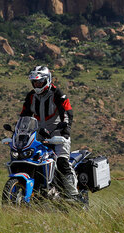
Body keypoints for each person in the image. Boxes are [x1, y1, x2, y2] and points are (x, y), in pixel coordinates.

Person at [20, 66, 80, 201]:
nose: (37, 85)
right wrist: (21, 133)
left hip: (57, 133)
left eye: (40, 82)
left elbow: (67, 113)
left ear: (47, 80)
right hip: (39, 134)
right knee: (30, 159)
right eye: (35, 82)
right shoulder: (31, 96)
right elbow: (24, 115)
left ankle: (73, 195)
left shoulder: (58, 94)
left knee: (62, 162)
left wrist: (65, 131)